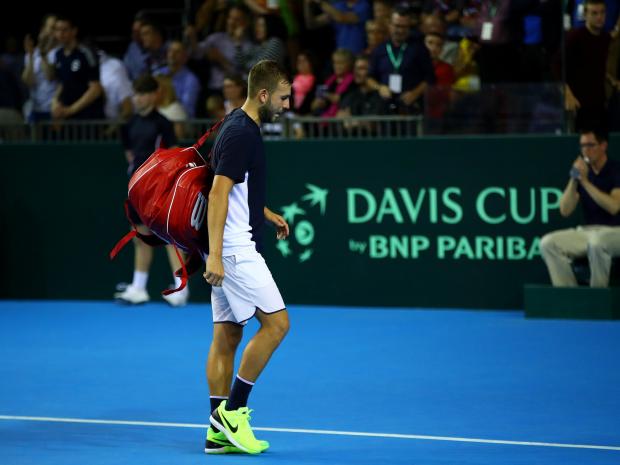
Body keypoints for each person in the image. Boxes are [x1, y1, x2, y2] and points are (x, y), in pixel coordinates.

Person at [202, 59, 291, 454]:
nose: (288, 105)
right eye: (284, 98)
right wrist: (216, 256)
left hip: (231, 240)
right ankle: (232, 413)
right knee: (277, 325)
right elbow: (218, 193)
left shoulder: (235, 125)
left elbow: (236, 187)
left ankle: (216, 433)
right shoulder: (242, 133)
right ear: (264, 94)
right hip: (234, 248)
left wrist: (265, 212)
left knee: (227, 334)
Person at [114, 74, 189, 307]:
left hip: (159, 190)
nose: (138, 99)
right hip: (137, 190)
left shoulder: (163, 124)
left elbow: (175, 155)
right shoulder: (128, 125)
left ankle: (181, 289)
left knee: (170, 238)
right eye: (135, 94)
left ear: (154, 95)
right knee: (141, 236)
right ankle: (138, 287)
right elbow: (130, 156)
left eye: (143, 94)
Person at [539, 128, 620, 287]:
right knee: (548, 243)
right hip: (588, 231)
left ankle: (597, 300)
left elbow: (614, 207)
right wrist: (574, 179)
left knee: (596, 243)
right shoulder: (582, 173)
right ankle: (568, 299)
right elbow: (565, 210)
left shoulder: (616, 170)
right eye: (582, 146)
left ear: (603, 146)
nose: (586, 150)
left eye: (590, 145)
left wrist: (585, 182)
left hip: (616, 232)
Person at [49, 15, 105, 121]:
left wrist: (71, 109)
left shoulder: (85, 53)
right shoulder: (58, 54)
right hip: (68, 117)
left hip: (88, 117)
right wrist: (55, 101)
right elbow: (62, 83)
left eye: (64, 30)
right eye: (57, 30)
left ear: (74, 31)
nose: (60, 34)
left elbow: (95, 89)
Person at [22, 13, 58, 123]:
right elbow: (28, 81)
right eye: (52, 28)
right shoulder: (32, 53)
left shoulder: (60, 52)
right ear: (43, 29)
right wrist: (32, 56)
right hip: (35, 109)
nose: (54, 32)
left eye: (57, 28)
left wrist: (43, 54)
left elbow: (50, 76)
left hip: (53, 110)